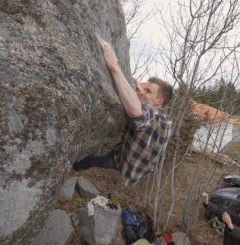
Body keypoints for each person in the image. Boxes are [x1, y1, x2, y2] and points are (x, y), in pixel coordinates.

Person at [73, 36, 173, 186]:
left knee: (86, 161)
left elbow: (136, 111)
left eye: (149, 92)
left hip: (121, 168)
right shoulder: (166, 120)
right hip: (131, 166)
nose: (142, 93)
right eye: (144, 90)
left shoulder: (154, 117)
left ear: (159, 102)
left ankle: (73, 169)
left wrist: (114, 66)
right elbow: (147, 108)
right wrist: (139, 89)